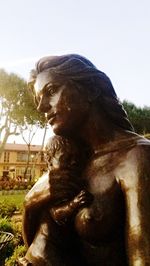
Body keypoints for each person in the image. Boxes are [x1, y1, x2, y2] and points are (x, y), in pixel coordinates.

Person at [23, 54, 150, 265]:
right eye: (38, 99)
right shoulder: (68, 160)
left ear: (90, 89)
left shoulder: (137, 158)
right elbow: (35, 247)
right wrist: (31, 201)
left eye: (52, 91)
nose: (41, 107)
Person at [19, 135, 92, 265]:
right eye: (66, 158)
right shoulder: (54, 184)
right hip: (45, 248)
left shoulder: (68, 180)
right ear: (49, 161)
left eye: (76, 158)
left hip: (60, 247)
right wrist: (74, 204)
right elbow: (56, 213)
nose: (73, 162)